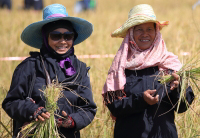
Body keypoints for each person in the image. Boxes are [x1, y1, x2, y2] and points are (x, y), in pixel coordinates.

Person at [2, 3, 97, 138]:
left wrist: (72, 121)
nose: (63, 41)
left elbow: (88, 108)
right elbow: (11, 102)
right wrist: (33, 111)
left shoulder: (79, 68)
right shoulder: (29, 66)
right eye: (55, 36)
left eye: (68, 36)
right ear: (45, 38)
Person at [102, 4, 195, 138]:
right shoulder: (121, 67)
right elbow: (114, 106)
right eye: (139, 29)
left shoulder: (170, 64)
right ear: (131, 33)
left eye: (149, 29)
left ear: (156, 32)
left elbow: (182, 107)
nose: (145, 34)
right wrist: (141, 100)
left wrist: (178, 90)